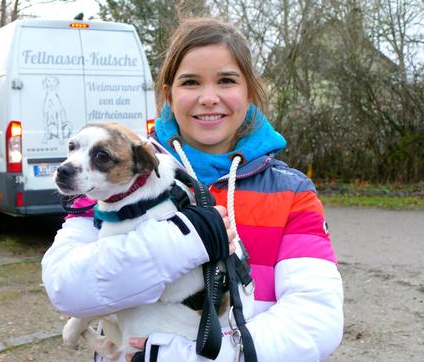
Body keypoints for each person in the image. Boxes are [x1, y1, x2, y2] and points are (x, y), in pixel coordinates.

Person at [42, 17, 343, 362]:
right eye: (191, 82)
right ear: (169, 94)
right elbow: (66, 288)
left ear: (249, 91)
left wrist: (201, 356)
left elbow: (317, 317)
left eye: (227, 80)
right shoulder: (117, 178)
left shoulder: (292, 192)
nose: (209, 98)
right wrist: (179, 242)